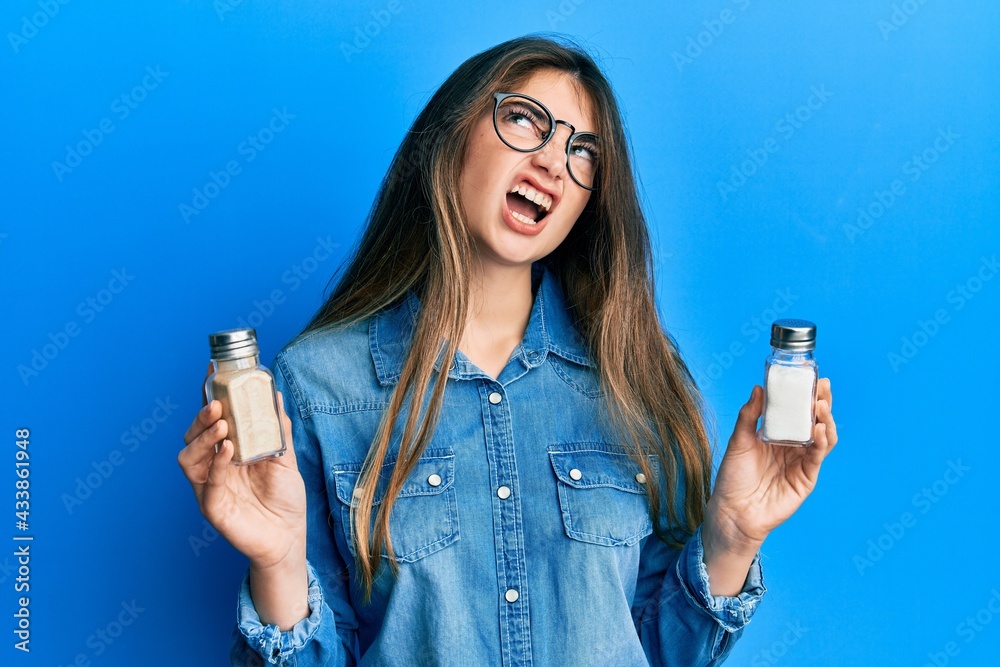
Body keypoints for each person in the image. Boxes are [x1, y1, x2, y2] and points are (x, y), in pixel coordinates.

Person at [178, 34, 838, 666]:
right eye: (524, 120)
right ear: (449, 138)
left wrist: (733, 536)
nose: (554, 160)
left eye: (584, 151)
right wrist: (276, 562)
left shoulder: (641, 382)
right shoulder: (319, 383)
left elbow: (663, 653)